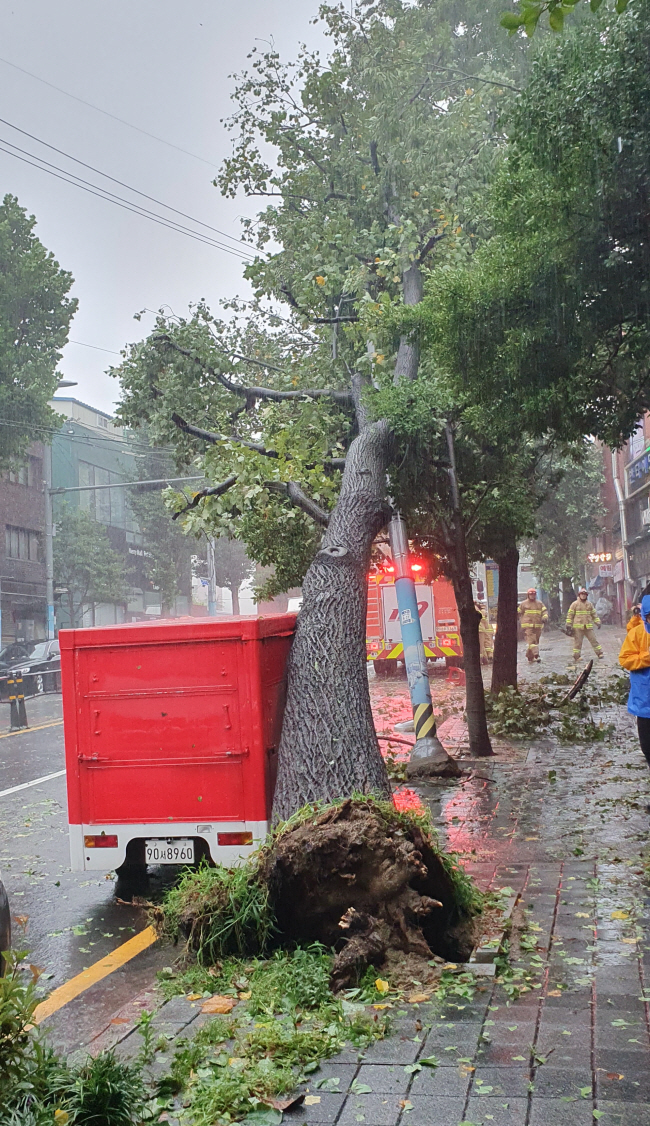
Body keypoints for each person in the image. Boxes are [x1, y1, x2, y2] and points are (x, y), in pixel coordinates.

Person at [619, 591, 650, 790]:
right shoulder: (637, 634)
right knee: (648, 749)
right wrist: (646, 658)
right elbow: (625, 659)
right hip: (644, 702)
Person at [565, 588, 603, 663]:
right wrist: (568, 624)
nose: (583, 596)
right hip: (578, 627)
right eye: (582, 594)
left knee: (594, 640)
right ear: (579, 595)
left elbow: (594, 615)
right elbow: (570, 615)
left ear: (586, 595)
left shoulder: (589, 604)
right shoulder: (574, 604)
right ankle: (577, 656)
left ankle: (599, 653)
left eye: (584, 594)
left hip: (588, 626)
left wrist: (598, 622)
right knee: (578, 643)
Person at [517, 587, 548, 663]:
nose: (532, 596)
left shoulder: (539, 603)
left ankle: (529, 657)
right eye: (531, 594)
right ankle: (536, 654)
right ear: (528, 595)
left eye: (534, 594)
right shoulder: (523, 604)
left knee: (535, 642)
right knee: (531, 641)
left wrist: (545, 617)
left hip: (537, 626)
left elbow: (544, 611)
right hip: (527, 627)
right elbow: (518, 612)